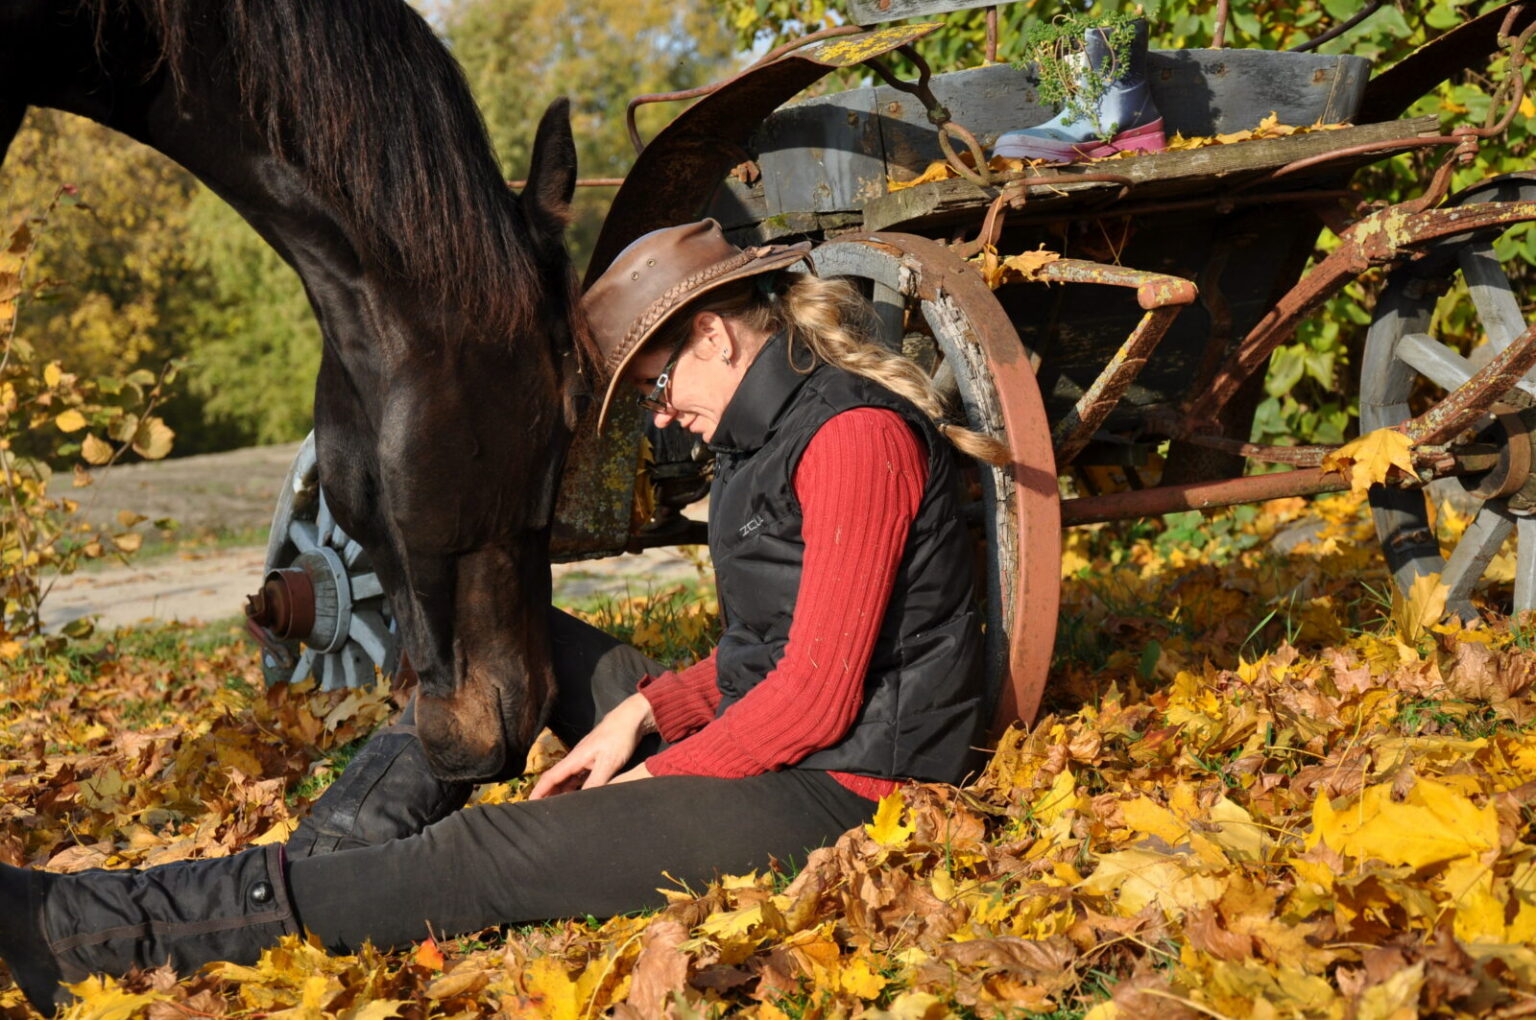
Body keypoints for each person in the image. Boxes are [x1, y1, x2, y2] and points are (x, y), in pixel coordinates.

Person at [0, 219, 1007, 1012]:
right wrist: (644, 710)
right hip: (790, 738)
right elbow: (774, 649)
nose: (660, 414)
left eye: (656, 385)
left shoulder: (854, 438)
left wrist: (648, 780)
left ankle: (89, 930)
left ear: (712, 332)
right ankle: (328, 869)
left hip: (847, 788)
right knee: (507, 645)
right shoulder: (767, 439)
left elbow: (814, 698)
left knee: (479, 857)